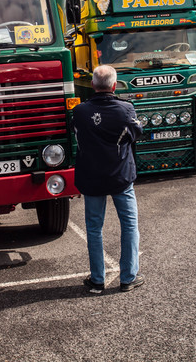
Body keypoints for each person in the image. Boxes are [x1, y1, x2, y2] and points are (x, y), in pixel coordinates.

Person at [72, 65, 144, 294]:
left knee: (94, 228)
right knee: (129, 225)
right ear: (114, 85)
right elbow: (136, 134)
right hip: (121, 177)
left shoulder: (81, 111)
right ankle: (128, 278)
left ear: (93, 84)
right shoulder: (126, 109)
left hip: (91, 177)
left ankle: (97, 279)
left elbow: (77, 135)